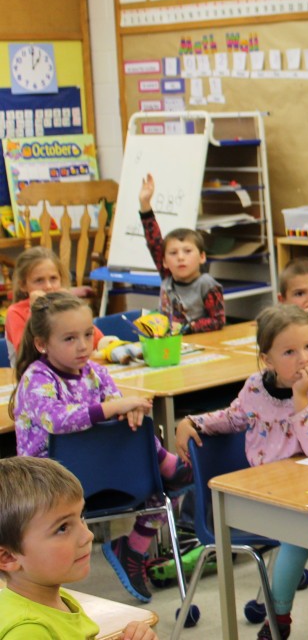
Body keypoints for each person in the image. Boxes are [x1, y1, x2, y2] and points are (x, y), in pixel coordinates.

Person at [10, 291, 190, 604]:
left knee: (161, 488)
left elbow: (116, 406)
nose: (82, 345)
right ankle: (168, 463)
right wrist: (114, 408)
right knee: (165, 471)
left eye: (86, 334)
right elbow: (58, 420)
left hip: (107, 474)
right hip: (50, 483)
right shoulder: (35, 378)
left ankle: (132, 549)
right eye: (69, 338)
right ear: (41, 344)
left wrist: (128, 411)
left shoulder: (97, 372)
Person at [174, 303, 308, 640]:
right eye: (290, 351)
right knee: (300, 534)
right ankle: (278, 620)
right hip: (264, 496)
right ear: (268, 359)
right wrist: (190, 421)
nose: (304, 358)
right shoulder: (254, 387)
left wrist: (300, 398)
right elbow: (232, 419)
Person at [0, 456, 158, 640]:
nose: (87, 535)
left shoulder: (56, 600)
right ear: (8, 557)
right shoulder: (28, 631)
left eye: (81, 516)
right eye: (62, 528)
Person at [138, 173, 225, 334]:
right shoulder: (167, 276)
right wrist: (145, 205)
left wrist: (187, 328)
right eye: (173, 253)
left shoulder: (207, 284)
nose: (180, 257)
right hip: (169, 343)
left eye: (187, 251)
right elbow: (154, 242)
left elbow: (217, 320)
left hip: (198, 342)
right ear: (164, 261)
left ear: (202, 257)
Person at [4, 247, 105, 363]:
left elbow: (99, 342)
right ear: (23, 285)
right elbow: (28, 357)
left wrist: (71, 310)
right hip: (35, 377)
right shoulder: (15, 312)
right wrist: (34, 311)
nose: (48, 286)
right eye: (39, 280)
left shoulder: (65, 307)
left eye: (53, 278)